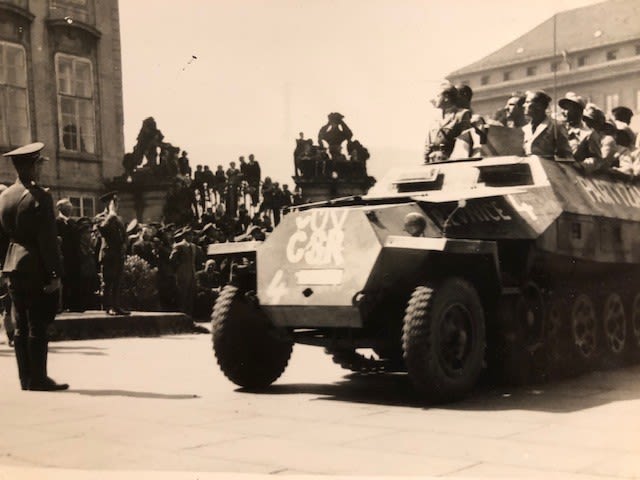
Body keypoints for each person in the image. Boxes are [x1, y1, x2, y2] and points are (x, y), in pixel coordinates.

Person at [0, 142, 68, 391]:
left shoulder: (4, 196)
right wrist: (55, 273)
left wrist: (2, 267)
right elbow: (48, 240)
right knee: (37, 322)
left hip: (12, 265)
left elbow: (1, 238)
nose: (40, 169)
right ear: (31, 166)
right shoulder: (40, 196)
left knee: (21, 324)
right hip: (35, 264)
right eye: (39, 164)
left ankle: (25, 378)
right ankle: (39, 378)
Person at [95, 191, 130, 316]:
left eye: (117, 202)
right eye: (114, 202)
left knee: (117, 282)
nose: (117, 205)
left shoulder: (118, 219)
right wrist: (111, 215)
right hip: (108, 254)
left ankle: (116, 305)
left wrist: (125, 244)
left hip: (118, 254)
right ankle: (108, 307)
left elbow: (125, 235)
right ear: (108, 204)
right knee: (108, 282)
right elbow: (103, 230)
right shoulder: (102, 217)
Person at [424, 83, 471, 162]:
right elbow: (427, 145)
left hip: (451, 163)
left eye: (438, 96)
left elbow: (464, 143)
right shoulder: (435, 119)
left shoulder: (462, 114)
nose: (433, 99)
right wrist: (425, 162)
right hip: (432, 163)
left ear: (446, 98)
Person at [521, 90, 573, 158]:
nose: (524, 105)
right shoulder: (524, 129)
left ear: (539, 105)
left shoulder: (556, 126)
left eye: (527, 102)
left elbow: (566, 156)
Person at [55, 198, 77, 311]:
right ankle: (62, 306)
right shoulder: (57, 222)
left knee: (72, 281)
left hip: (73, 259)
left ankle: (72, 305)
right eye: (67, 207)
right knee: (63, 283)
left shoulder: (72, 223)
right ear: (60, 208)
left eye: (70, 207)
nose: (70, 209)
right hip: (62, 258)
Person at [170, 227, 197, 316]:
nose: (192, 237)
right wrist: (179, 268)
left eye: (192, 235)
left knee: (190, 296)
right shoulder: (179, 246)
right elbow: (172, 259)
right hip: (182, 274)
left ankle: (189, 316)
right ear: (185, 235)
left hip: (192, 273)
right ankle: (182, 316)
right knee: (182, 296)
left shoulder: (193, 246)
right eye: (189, 234)